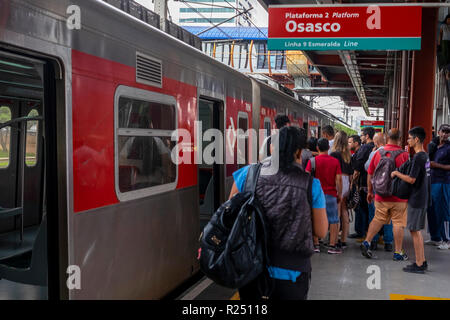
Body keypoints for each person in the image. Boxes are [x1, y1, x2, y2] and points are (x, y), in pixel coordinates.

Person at [230, 127, 328, 300]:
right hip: (291, 271)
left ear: (271, 148)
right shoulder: (311, 184)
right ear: (299, 152)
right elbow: (321, 231)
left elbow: (231, 215)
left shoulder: (248, 174)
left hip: (250, 266)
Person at [361, 128, 409, 261]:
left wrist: (370, 191)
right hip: (399, 197)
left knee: (378, 219)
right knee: (398, 222)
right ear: (400, 138)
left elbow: (370, 173)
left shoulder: (378, 153)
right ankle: (398, 252)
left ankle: (367, 242)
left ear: (387, 137)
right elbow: (407, 176)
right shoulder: (404, 155)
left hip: (381, 194)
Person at [391, 127, 430, 273]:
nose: (408, 140)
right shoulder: (425, 156)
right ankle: (422, 261)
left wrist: (396, 173)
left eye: (409, 138)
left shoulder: (418, 157)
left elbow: (412, 179)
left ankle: (419, 264)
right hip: (422, 196)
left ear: (416, 139)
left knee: (414, 231)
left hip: (417, 197)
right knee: (416, 230)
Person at [306, 138, 343, 254]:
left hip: (315, 195)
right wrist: (339, 193)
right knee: (333, 220)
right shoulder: (335, 161)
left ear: (317, 148)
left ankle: (316, 244)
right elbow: (339, 180)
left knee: (314, 218)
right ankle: (332, 246)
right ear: (328, 148)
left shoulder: (312, 161)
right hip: (331, 194)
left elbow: (306, 178)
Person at [364, 132, 394, 252]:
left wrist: (369, 191)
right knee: (388, 216)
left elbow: (368, 169)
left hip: (378, 188)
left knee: (375, 215)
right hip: (390, 189)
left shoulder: (375, 153)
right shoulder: (393, 152)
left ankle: (374, 241)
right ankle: (388, 243)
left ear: (376, 142)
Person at [426, 124, 450, 249]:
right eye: (443, 131)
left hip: (444, 182)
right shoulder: (433, 145)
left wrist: (437, 165)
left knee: (444, 210)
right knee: (432, 209)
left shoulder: (448, 148)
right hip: (431, 181)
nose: (445, 134)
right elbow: (427, 162)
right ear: (439, 132)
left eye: (448, 132)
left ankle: (447, 240)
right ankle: (435, 237)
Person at [330, 131, 353, 249]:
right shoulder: (348, 155)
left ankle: (334, 239)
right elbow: (351, 174)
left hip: (338, 181)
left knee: (337, 211)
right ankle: (344, 239)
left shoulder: (334, 154)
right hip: (346, 182)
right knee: (344, 210)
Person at [348, 134, 364, 238]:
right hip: (359, 184)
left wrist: (352, 183)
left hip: (358, 185)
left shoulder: (359, 153)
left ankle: (360, 232)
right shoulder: (358, 152)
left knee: (359, 207)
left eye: (350, 142)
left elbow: (356, 171)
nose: (348, 144)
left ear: (356, 143)